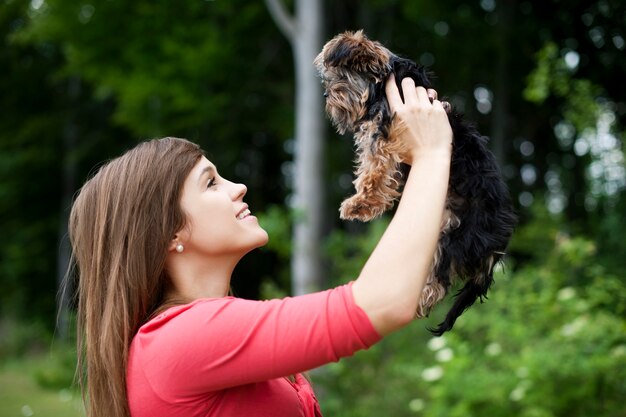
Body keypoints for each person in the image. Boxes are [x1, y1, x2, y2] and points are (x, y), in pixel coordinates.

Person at [67, 75, 453, 417]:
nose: (239, 187)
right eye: (211, 183)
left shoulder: (203, 335)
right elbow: (381, 303)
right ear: (170, 233)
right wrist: (432, 154)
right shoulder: (180, 340)